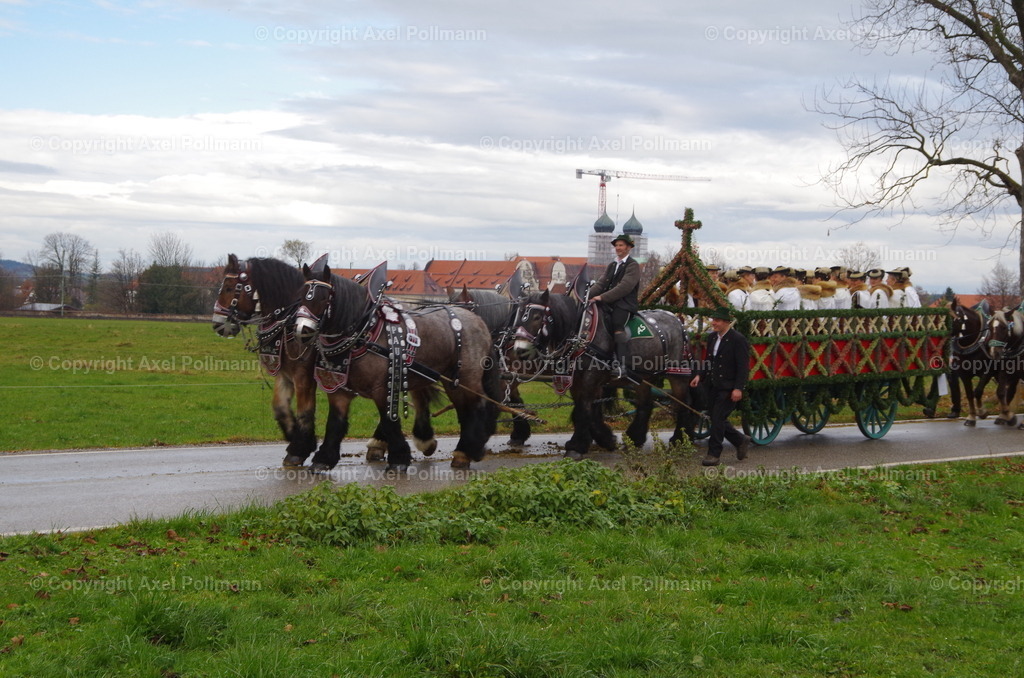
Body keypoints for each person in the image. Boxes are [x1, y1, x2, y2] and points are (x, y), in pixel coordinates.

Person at [690, 307, 751, 466]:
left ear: (726, 322)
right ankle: (740, 440)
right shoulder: (711, 338)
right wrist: (699, 375)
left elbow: (743, 366)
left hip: (728, 387)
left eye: (716, 320)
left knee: (717, 419)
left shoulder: (738, 339)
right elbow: (708, 360)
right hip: (712, 385)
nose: (713, 323)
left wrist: (738, 388)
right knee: (717, 418)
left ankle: (713, 454)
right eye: (713, 320)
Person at [590, 233, 641, 376]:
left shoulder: (633, 265)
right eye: (616, 245)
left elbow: (625, 287)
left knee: (617, 324)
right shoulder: (612, 265)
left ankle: (621, 364)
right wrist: (586, 295)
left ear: (629, 247)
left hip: (624, 304)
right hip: (608, 302)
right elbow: (601, 283)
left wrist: (602, 297)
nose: (618, 248)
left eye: (621, 245)